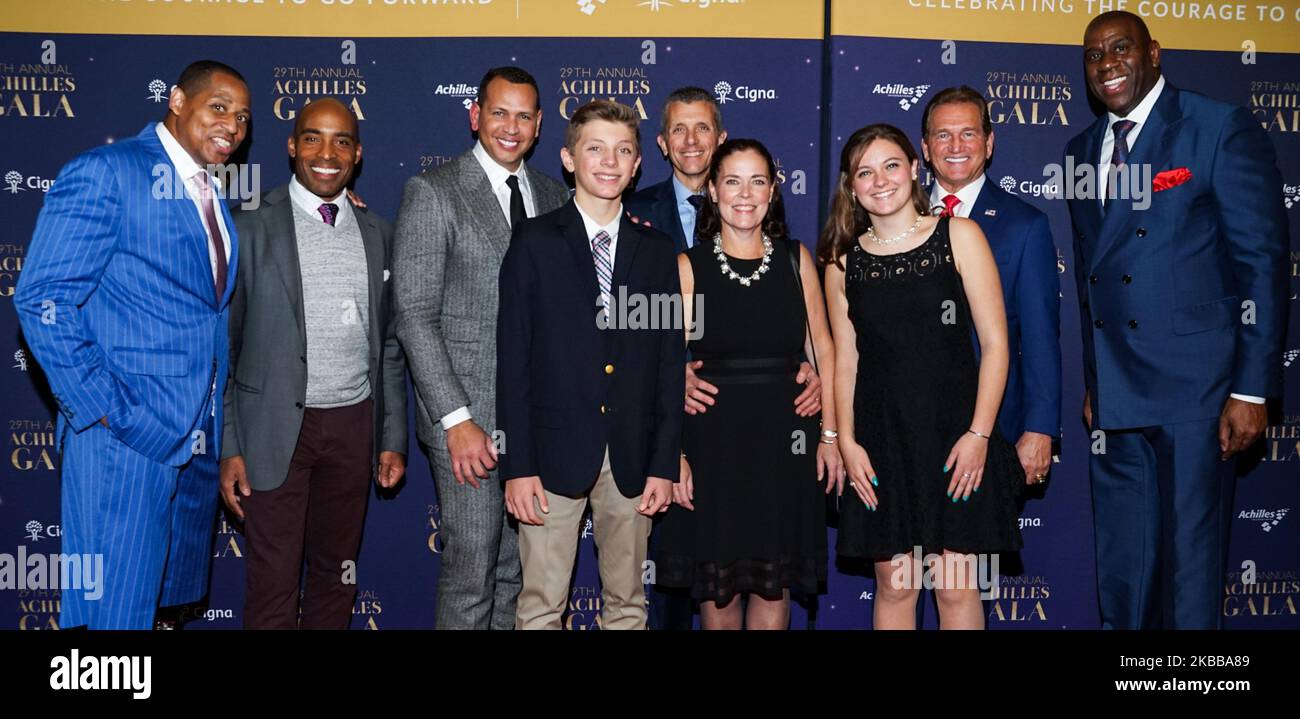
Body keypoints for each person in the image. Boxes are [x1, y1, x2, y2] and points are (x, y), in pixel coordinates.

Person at [1066, 12, 1288, 629]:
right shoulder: (1080, 150)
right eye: (1093, 55)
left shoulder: (1216, 127)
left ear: (1154, 53)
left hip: (1200, 391)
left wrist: (1250, 387)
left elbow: (1261, 263)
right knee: (1123, 568)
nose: (1107, 64)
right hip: (1116, 395)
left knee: (1190, 577)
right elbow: (1091, 278)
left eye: (1120, 48)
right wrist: (1094, 378)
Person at [14, 60, 250, 629]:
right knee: (110, 623)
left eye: (242, 118)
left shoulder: (211, 193)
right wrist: (103, 411)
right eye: (219, 107)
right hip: (125, 440)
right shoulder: (108, 172)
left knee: (159, 612)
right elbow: (42, 299)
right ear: (175, 100)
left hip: (192, 445)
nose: (232, 126)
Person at [821, 124, 1024, 630]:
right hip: (881, 440)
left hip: (955, 434)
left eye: (891, 165)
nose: (880, 180)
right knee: (896, 584)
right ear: (851, 185)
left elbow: (997, 344)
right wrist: (846, 441)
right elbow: (845, 359)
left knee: (956, 586)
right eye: (864, 172)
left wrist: (979, 435)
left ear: (915, 168)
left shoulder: (959, 235)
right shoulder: (842, 264)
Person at [219, 98, 408, 629]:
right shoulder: (249, 226)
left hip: (351, 427)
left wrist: (390, 435)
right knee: (273, 583)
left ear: (358, 154)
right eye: (313, 138)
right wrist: (229, 447)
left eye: (342, 141)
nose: (327, 153)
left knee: (336, 576)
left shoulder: (380, 234)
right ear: (291, 145)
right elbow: (223, 353)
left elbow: (390, 345)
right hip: (272, 429)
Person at [393, 66, 570, 629]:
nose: (511, 127)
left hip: (537, 419)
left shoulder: (553, 195)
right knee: (471, 570)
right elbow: (415, 317)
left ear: (540, 125)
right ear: (475, 116)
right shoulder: (434, 192)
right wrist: (455, 419)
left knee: (516, 572)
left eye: (523, 116)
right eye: (499, 112)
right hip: (466, 419)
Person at [497, 100, 684, 630]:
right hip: (551, 454)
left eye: (623, 150)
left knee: (628, 608)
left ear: (638, 164)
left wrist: (664, 463)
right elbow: (513, 361)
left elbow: (670, 362)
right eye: (595, 148)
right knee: (540, 607)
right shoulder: (533, 242)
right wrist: (519, 465)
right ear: (568, 158)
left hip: (632, 457)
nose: (609, 161)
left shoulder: (656, 250)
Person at [654, 138, 842, 630]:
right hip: (713, 447)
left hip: (786, 446)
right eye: (732, 181)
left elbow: (824, 349)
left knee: (772, 585)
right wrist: (674, 455)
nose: (745, 193)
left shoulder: (795, 260)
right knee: (719, 595)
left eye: (757, 180)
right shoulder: (687, 268)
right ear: (712, 191)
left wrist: (831, 436)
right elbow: (661, 364)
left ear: (773, 190)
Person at [920, 86, 1061, 487]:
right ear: (926, 148)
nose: (956, 145)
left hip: (992, 425)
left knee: (971, 549)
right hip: (907, 421)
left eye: (969, 133)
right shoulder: (895, 218)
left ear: (990, 142)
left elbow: (1040, 336)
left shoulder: (1025, 226)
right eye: (943, 135)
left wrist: (1040, 429)